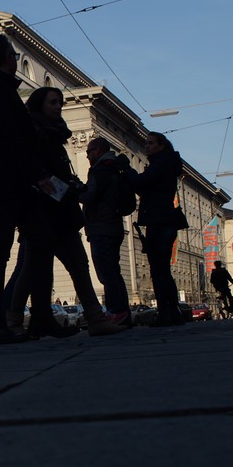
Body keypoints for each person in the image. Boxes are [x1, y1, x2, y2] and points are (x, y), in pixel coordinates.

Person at [8, 87, 125, 338]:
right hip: (43, 210)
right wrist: (59, 186)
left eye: (60, 102)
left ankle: (94, 318)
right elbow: (36, 171)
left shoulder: (53, 132)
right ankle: (14, 320)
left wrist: (68, 185)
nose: (59, 106)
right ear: (40, 105)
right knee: (32, 269)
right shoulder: (35, 132)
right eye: (53, 102)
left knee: (77, 265)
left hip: (60, 211)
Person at [0, 33, 50, 345]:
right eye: (14, 56)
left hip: (13, 182)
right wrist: (39, 173)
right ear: (6, 59)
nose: (17, 61)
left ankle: (35, 317)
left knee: (38, 243)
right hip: (9, 183)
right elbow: (9, 142)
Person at [79, 137, 135, 326]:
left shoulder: (102, 170)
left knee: (106, 273)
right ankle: (123, 312)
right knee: (113, 271)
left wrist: (75, 188)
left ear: (99, 150)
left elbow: (89, 195)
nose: (87, 155)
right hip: (113, 226)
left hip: (102, 226)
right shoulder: (113, 168)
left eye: (89, 151)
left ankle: (115, 311)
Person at [132, 131, 185, 327]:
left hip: (159, 220)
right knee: (163, 269)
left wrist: (127, 171)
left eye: (150, 143)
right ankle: (173, 311)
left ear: (161, 146)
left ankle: (165, 312)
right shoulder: (166, 164)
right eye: (146, 143)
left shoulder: (160, 164)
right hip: (165, 220)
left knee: (158, 270)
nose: (146, 146)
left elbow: (140, 182)